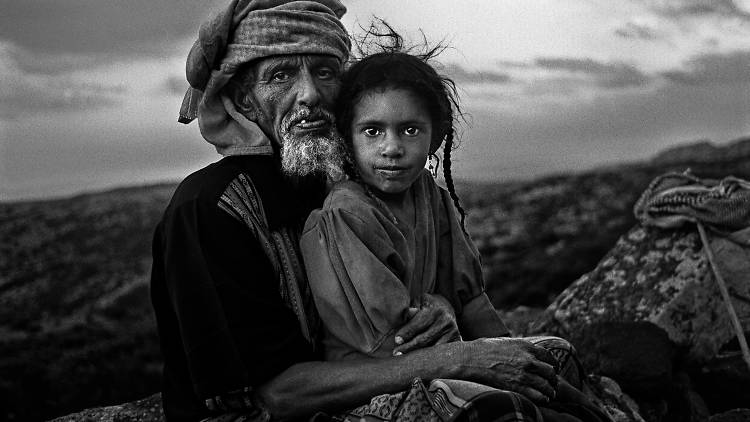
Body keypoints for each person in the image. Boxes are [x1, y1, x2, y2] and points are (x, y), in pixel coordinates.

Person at [150, 1, 583, 421]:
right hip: (287, 411)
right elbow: (278, 394)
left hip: (375, 381)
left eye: (324, 72)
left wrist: (442, 310)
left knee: (555, 359)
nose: (310, 95)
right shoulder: (210, 209)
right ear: (244, 102)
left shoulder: (348, 177)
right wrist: (459, 358)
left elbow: (422, 296)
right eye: (280, 75)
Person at [299, 45, 613, 421]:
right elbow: (395, 344)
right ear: (348, 139)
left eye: (410, 130)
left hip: (443, 360)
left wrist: (517, 361)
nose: (392, 148)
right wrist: (491, 367)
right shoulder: (346, 216)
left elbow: (472, 302)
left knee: (554, 355)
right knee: (504, 410)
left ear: (435, 136)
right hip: (379, 385)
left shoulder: (432, 200)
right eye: (372, 131)